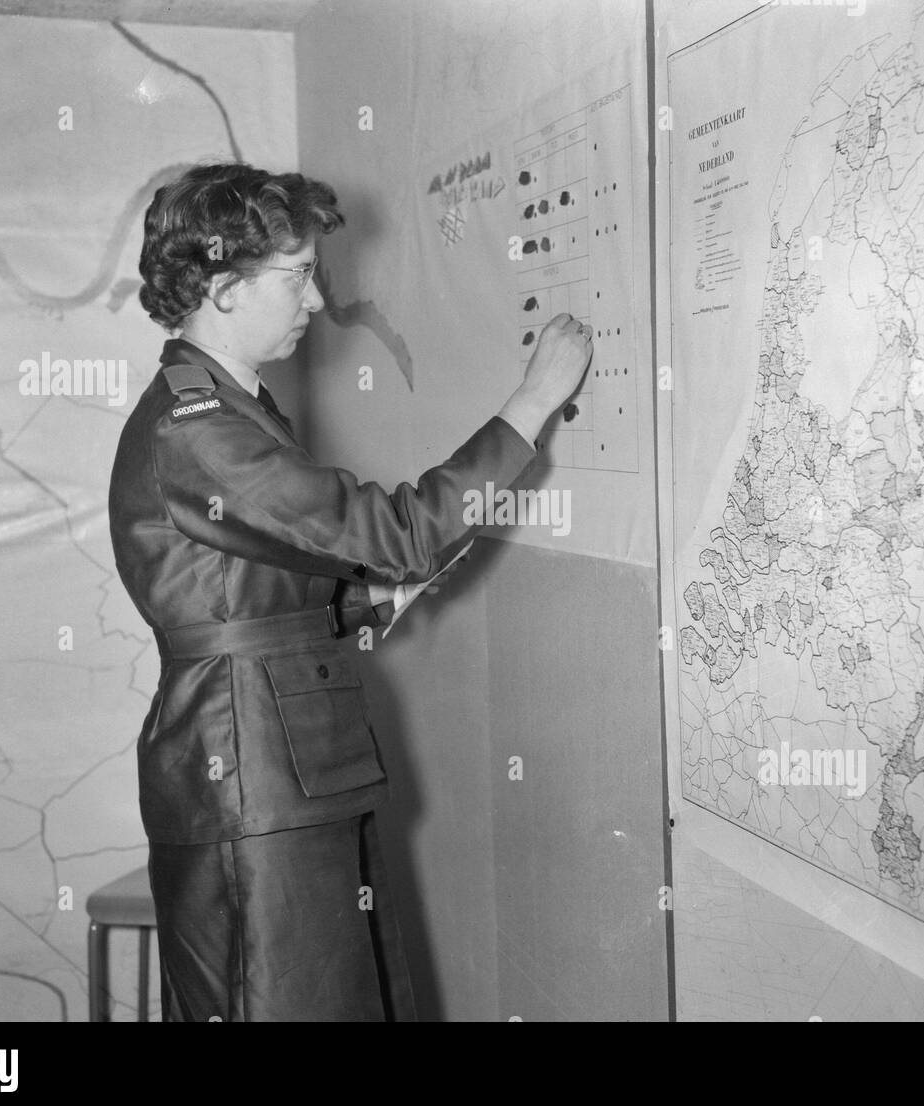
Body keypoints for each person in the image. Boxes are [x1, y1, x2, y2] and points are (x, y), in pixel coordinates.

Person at [107, 162, 591, 1021]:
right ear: (222, 286)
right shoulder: (200, 428)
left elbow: (250, 586)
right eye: (295, 276)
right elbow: (394, 534)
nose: (315, 300)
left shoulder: (231, 407)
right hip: (251, 776)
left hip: (281, 770)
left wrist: (366, 606)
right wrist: (533, 401)